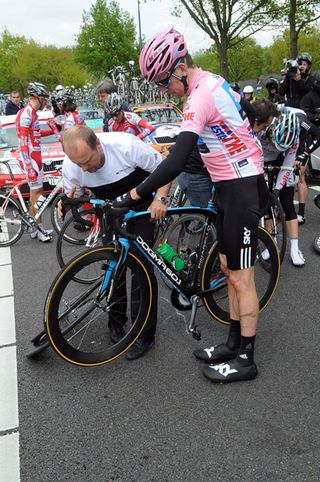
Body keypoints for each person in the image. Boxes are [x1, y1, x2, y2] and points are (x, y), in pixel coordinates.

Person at [116, 27, 270, 383]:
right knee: (229, 270)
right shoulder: (211, 84)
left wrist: (134, 195)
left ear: (180, 69)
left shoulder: (201, 96)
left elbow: (175, 159)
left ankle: (246, 357)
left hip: (243, 189)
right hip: (228, 187)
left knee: (242, 278)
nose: (162, 90)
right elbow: (244, 116)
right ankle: (233, 342)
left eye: (162, 82)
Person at [60, 125, 170, 360]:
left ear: (98, 144)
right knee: (113, 264)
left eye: (88, 161)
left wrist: (160, 199)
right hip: (110, 208)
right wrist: (67, 203)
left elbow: (164, 169)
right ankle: (116, 321)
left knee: (141, 266)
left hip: (142, 206)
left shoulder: (126, 145)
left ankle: (144, 333)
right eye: (80, 165)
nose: (86, 168)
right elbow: (74, 195)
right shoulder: (73, 164)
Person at [257, 111, 305, 266]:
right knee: (266, 204)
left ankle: (294, 249)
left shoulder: (294, 140)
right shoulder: (262, 128)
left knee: (287, 203)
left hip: (281, 162)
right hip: (261, 162)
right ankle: (271, 245)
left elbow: (287, 168)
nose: (273, 146)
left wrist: (277, 189)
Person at [15, 82, 57, 242]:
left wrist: (54, 130)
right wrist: (29, 165)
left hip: (36, 158)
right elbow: (23, 142)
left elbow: (36, 135)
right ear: (38, 97)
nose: (46, 102)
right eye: (45, 98)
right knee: (36, 196)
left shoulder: (32, 114)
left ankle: (35, 227)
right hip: (31, 159)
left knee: (37, 196)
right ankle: (39, 229)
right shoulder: (26, 114)